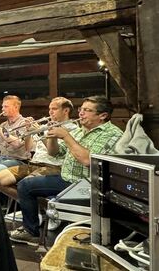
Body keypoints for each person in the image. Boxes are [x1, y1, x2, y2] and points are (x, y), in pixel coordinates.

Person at [10, 95, 123, 246]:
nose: (81, 113)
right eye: (81, 109)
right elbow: (54, 152)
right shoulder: (80, 131)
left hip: (86, 184)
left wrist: (66, 135)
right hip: (67, 178)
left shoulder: (112, 134)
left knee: (26, 185)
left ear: (102, 116)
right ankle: (32, 231)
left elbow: (87, 160)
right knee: (26, 185)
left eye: (87, 110)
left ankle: (36, 230)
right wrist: (52, 134)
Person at [0, 97, 75, 200]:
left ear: (66, 111)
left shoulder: (73, 129)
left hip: (52, 167)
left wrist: (39, 132)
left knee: (24, 186)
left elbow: (54, 152)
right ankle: (38, 205)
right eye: (49, 109)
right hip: (33, 164)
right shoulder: (44, 126)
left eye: (54, 109)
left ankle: (35, 206)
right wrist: (29, 132)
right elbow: (28, 148)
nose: (50, 112)